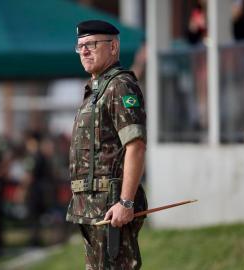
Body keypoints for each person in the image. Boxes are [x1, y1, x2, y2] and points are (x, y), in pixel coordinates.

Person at [66, 20, 148, 269]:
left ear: (113, 47)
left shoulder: (119, 86)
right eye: (80, 46)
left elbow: (136, 146)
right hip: (92, 208)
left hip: (111, 208)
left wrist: (125, 202)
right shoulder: (96, 89)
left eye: (91, 44)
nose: (84, 51)